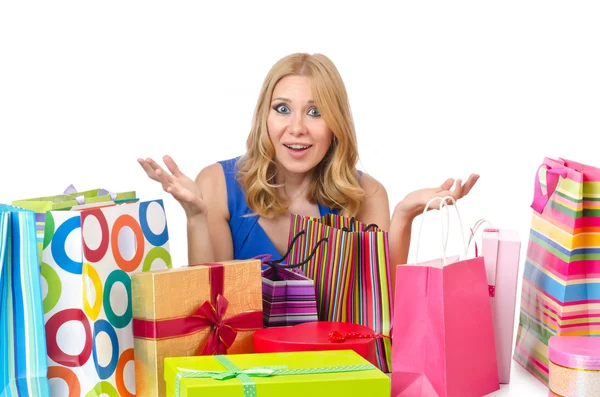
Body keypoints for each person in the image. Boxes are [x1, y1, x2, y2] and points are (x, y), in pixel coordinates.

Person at [138, 53, 478, 269]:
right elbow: (210, 308)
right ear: (264, 118)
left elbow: (380, 308)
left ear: (336, 124)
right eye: (282, 109)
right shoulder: (217, 183)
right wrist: (196, 216)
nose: (297, 128)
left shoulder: (368, 194)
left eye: (315, 112)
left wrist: (404, 215)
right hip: (248, 372)